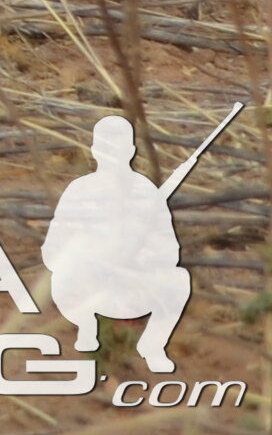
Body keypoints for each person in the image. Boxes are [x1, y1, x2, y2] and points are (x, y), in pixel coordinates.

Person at [42, 113, 195, 371]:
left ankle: (153, 345)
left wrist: (140, 257)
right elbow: (53, 249)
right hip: (84, 286)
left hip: (131, 284)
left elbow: (170, 250)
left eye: (119, 149)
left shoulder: (146, 192)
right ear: (94, 150)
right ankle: (88, 328)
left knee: (179, 280)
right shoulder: (79, 190)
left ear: (131, 151)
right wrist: (93, 257)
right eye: (106, 148)